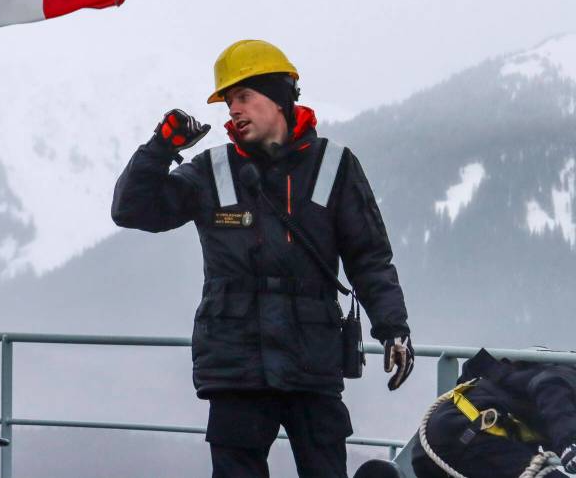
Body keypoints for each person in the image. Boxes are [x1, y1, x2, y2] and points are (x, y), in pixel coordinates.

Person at [111, 39, 413, 478]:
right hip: (237, 365)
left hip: (312, 360)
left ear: (278, 98)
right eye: (229, 101)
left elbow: (369, 258)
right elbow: (131, 210)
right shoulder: (211, 170)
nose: (234, 110)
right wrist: (161, 147)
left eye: (244, 97)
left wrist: (394, 329)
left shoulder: (335, 166)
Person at [412, 348, 576, 478]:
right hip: (473, 437)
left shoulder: (526, 373)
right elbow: (549, 385)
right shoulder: (566, 375)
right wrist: (569, 444)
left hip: (437, 440)